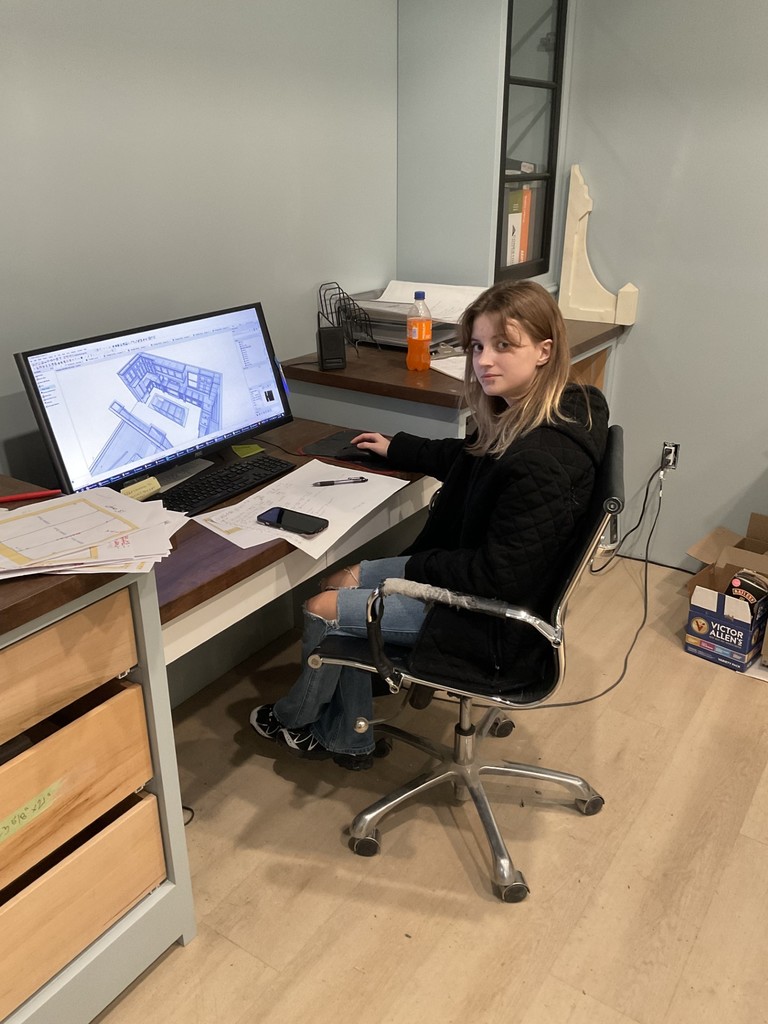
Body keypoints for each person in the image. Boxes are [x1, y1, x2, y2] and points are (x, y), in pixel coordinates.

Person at [250, 279, 609, 770]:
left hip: (490, 619)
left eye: (505, 345)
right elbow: (474, 460)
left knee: (323, 607)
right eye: (478, 346)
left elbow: (496, 577)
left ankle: (296, 720)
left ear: (544, 350)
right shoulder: (556, 411)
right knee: (341, 580)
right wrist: (400, 446)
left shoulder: (542, 459)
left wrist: (414, 568)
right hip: (486, 581)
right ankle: (346, 735)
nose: (484, 361)